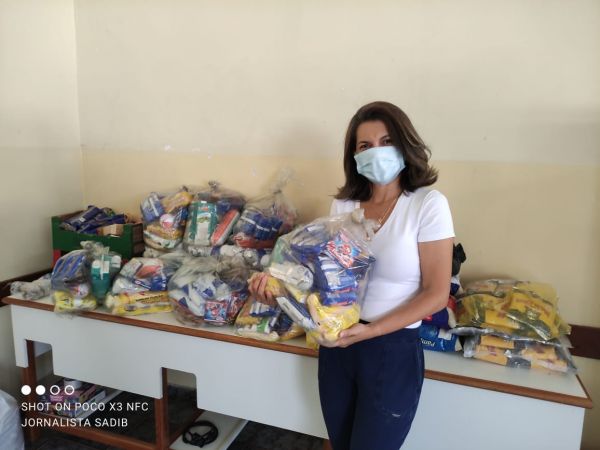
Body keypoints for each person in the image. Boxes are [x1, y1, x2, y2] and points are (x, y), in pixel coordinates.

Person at [250, 101, 454, 450]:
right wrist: (278, 291)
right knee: (339, 442)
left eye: (387, 141)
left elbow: (436, 294)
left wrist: (371, 330)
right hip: (338, 342)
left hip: (391, 349)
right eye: (365, 145)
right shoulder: (344, 207)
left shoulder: (427, 205)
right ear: (355, 156)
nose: (377, 151)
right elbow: (325, 280)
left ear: (405, 144)